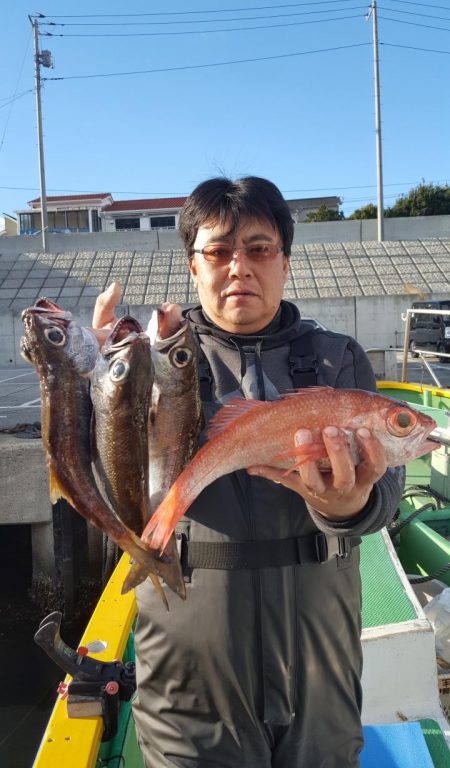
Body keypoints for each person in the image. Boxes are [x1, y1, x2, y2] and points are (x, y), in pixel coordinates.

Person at [92, 176, 403, 768]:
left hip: (322, 674)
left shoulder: (340, 359)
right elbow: (110, 475)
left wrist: (348, 506)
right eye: (218, 251)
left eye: (259, 249)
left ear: (284, 262)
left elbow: (386, 494)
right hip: (189, 681)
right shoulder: (152, 360)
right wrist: (98, 383)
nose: (239, 267)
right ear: (193, 266)